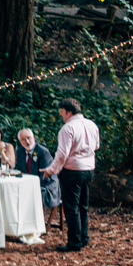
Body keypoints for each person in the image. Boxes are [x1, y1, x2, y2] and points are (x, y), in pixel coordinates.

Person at [42, 98, 100, 252]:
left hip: (73, 170)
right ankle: (83, 237)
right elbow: (97, 146)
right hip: (88, 169)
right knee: (83, 205)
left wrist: (51, 170)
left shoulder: (67, 129)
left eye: (61, 113)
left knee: (71, 207)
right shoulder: (92, 125)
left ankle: (74, 242)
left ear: (68, 112)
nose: (61, 116)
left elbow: (62, 154)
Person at [16, 128, 61, 210]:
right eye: (23, 139)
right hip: (27, 185)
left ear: (33, 137)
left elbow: (45, 177)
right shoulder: (20, 151)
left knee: (32, 194)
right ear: (20, 141)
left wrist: (30, 185)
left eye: (29, 138)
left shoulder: (43, 152)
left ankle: (35, 221)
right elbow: (19, 170)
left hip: (47, 186)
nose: (27, 141)